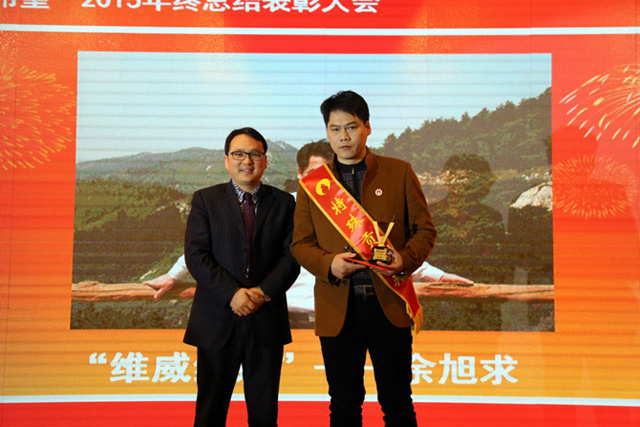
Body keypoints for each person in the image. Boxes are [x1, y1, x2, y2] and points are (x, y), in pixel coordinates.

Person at [290, 91, 437, 426]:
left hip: (388, 304)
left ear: (367, 127)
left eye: (351, 127)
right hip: (338, 307)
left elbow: (425, 230)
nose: (343, 136)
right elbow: (300, 244)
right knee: (343, 404)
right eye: (335, 129)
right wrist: (329, 264)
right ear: (327, 133)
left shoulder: (399, 172)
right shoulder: (313, 185)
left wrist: (404, 259)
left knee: (397, 402)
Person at [183, 127, 300, 426]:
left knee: (264, 414)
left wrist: (261, 293)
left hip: (266, 319)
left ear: (265, 160)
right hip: (216, 320)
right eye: (238, 154)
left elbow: (291, 258)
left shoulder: (284, 203)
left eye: (255, 154)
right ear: (226, 160)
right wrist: (232, 294)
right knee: (210, 412)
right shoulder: (205, 200)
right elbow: (197, 256)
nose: (247, 161)